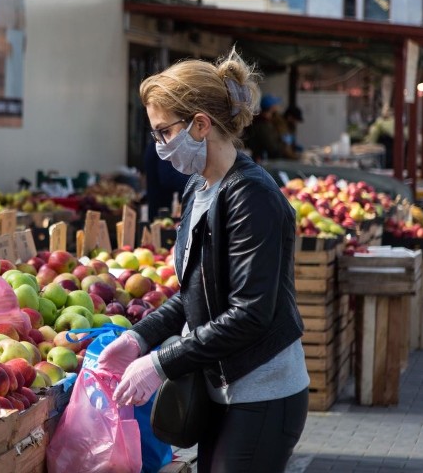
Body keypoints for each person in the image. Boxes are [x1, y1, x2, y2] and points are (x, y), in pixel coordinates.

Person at [98, 49, 309, 473]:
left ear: (199, 125)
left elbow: (251, 313)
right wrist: (140, 338)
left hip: (263, 395)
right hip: (222, 389)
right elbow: (195, 292)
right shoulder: (199, 188)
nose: (158, 146)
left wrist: (160, 364)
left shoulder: (253, 198)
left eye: (163, 132)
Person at [143, 140, 191, 220]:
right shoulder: (162, 145)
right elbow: (168, 178)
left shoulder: (156, 144)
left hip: (158, 203)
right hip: (161, 207)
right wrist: (192, 180)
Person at [244, 94, 286, 161]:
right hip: (263, 160)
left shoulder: (262, 121)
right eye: (276, 104)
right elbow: (271, 147)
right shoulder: (262, 124)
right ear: (272, 107)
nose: (278, 106)